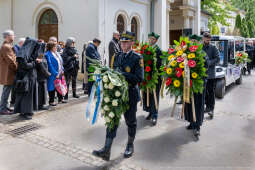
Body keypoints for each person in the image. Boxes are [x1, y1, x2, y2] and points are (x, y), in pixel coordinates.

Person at [92, 31, 144, 161]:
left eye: (126, 42)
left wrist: (122, 74)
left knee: (130, 121)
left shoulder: (137, 58)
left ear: (132, 43)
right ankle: (106, 149)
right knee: (112, 120)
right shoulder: (117, 55)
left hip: (130, 94)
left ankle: (130, 145)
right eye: (122, 42)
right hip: (116, 94)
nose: (123, 44)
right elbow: (113, 71)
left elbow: (139, 78)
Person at [184, 34, 209, 137]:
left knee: (198, 104)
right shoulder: (186, 53)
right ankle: (191, 122)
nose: (193, 43)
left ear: (199, 42)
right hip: (188, 83)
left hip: (199, 83)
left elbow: (206, 67)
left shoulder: (202, 53)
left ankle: (197, 126)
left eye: (195, 41)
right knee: (189, 103)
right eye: (191, 41)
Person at [14, 38, 43, 120]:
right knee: (26, 96)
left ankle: (26, 111)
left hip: (30, 77)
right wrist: (35, 62)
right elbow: (25, 65)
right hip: (25, 77)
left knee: (28, 96)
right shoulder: (22, 54)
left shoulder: (28, 53)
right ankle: (25, 112)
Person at [143, 32, 162, 126]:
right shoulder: (146, 49)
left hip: (155, 77)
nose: (151, 40)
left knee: (155, 97)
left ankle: (155, 115)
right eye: (150, 38)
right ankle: (150, 112)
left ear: (156, 40)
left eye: (153, 39)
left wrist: (151, 64)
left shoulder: (158, 50)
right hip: (147, 76)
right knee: (148, 95)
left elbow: (159, 64)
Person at [0, 30, 18, 115]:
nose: (14, 37)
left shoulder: (8, 46)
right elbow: (11, 61)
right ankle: (3, 109)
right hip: (8, 72)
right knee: (6, 91)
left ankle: (4, 106)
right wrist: (17, 68)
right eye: (13, 35)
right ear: (8, 36)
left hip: (9, 72)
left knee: (6, 90)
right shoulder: (6, 46)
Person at [203, 32, 220, 119]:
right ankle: (207, 107)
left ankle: (211, 109)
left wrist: (209, 62)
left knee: (211, 92)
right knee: (204, 92)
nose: (207, 40)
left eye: (209, 39)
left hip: (210, 74)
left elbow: (217, 59)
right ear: (203, 38)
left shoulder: (213, 48)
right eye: (206, 38)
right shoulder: (200, 48)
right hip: (202, 74)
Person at [45, 42, 66, 106]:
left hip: (59, 72)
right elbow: (50, 65)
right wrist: (55, 73)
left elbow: (60, 62)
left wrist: (62, 69)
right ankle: (51, 101)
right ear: (51, 47)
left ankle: (60, 99)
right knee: (52, 87)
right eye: (55, 46)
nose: (56, 48)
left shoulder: (56, 53)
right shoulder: (47, 54)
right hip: (52, 74)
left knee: (59, 85)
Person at [10, 37, 25, 108]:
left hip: (20, 70)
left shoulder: (20, 48)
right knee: (15, 87)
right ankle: (12, 102)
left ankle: (17, 102)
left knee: (18, 86)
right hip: (15, 71)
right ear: (21, 43)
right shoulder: (15, 48)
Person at [36, 42, 50, 110]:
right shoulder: (39, 55)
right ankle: (40, 105)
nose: (46, 48)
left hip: (43, 75)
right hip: (41, 76)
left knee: (43, 91)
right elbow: (41, 65)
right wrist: (47, 73)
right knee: (41, 91)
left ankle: (42, 104)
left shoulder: (43, 54)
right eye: (45, 47)